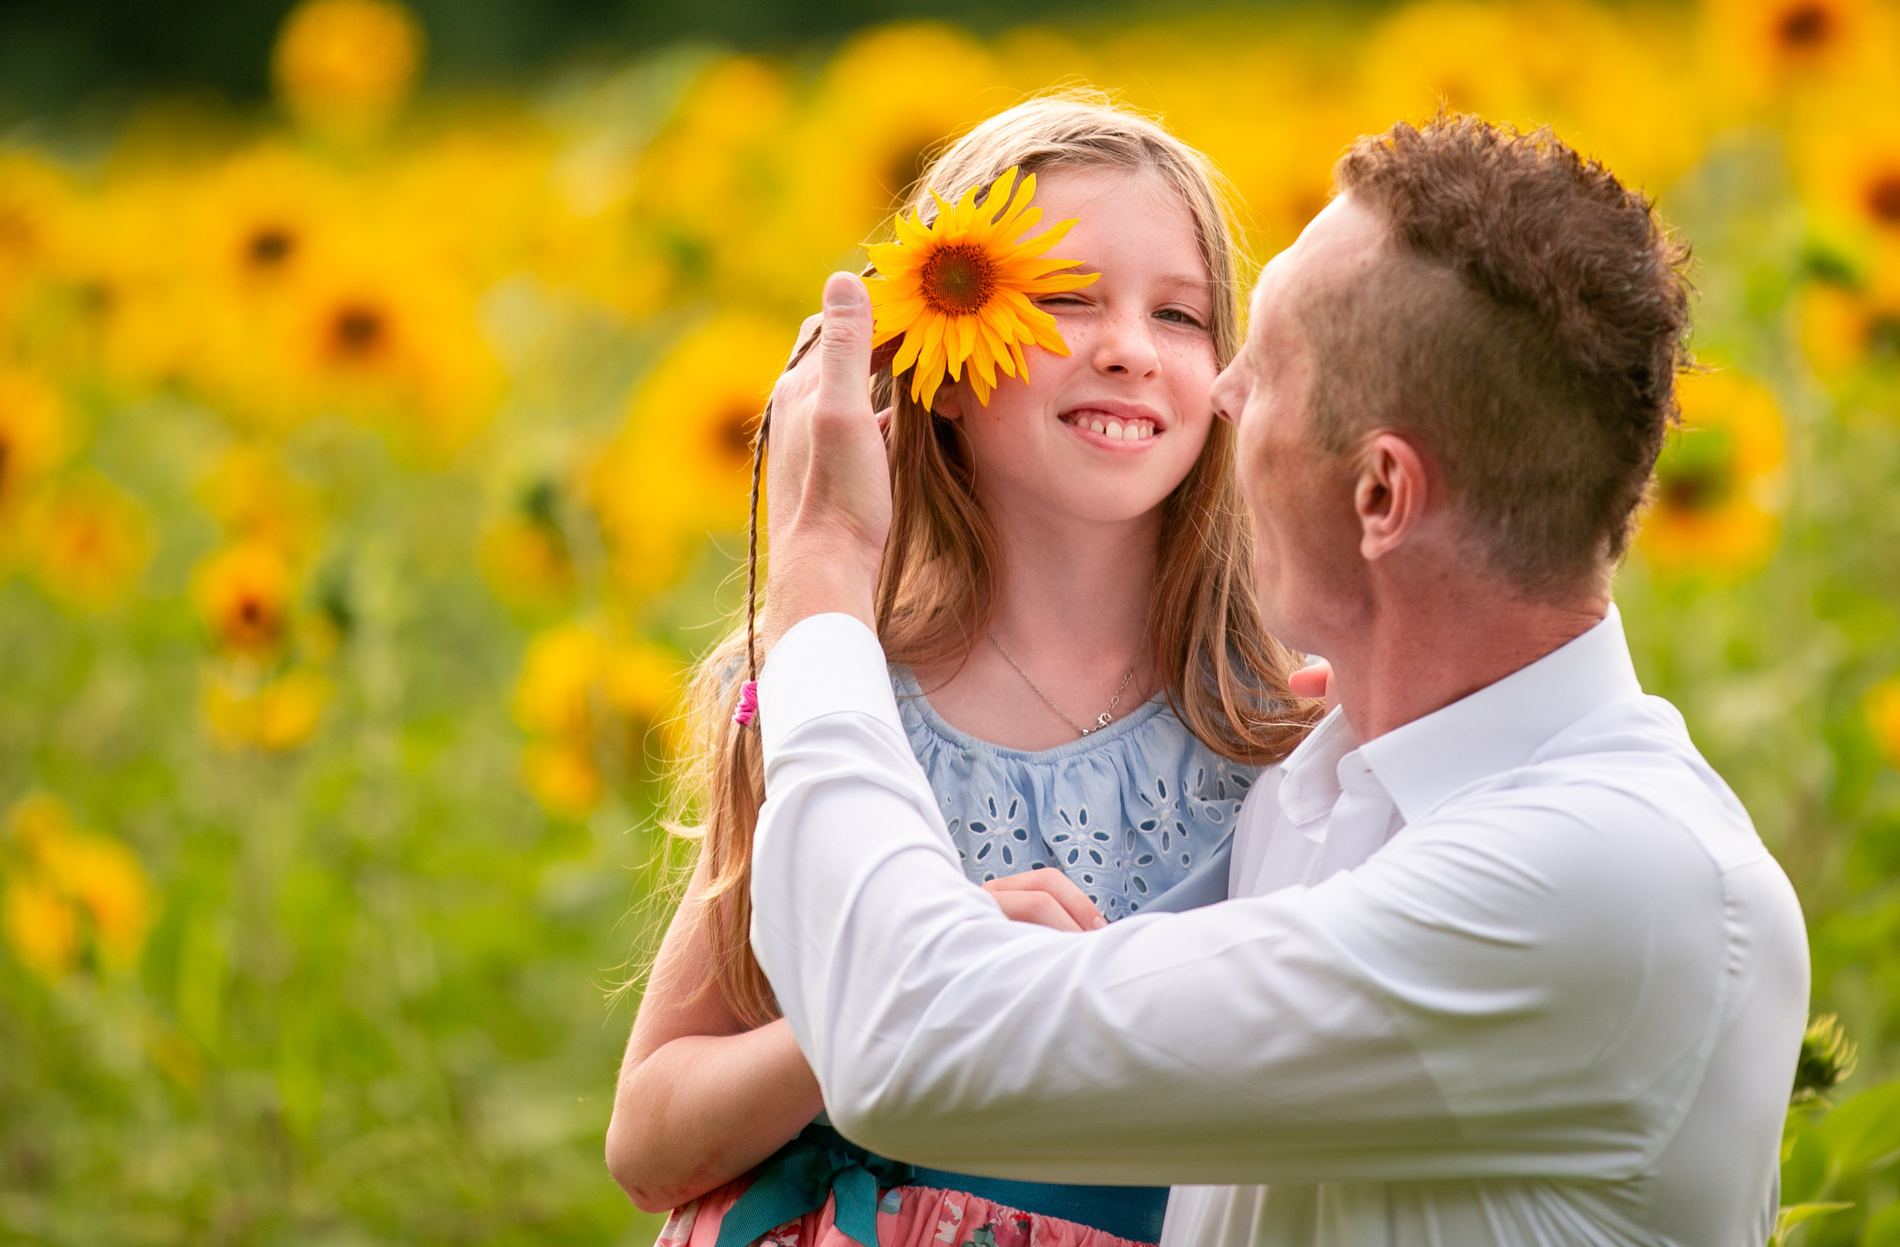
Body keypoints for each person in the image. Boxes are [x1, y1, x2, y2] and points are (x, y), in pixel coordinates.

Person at [745, 115, 1810, 1247]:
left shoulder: (1607, 883)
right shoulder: (1326, 777)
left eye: (1269, 363)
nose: (1220, 394)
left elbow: (913, 1046)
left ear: (1380, 496)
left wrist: (820, 576)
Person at [607, 99, 1313, 1247]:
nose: (1129, 344)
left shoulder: (1273, 716)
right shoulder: (842, 695)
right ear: (943, 341)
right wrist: (904, 997)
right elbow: (647, 1141)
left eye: (1180, 315)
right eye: (1069, 297)